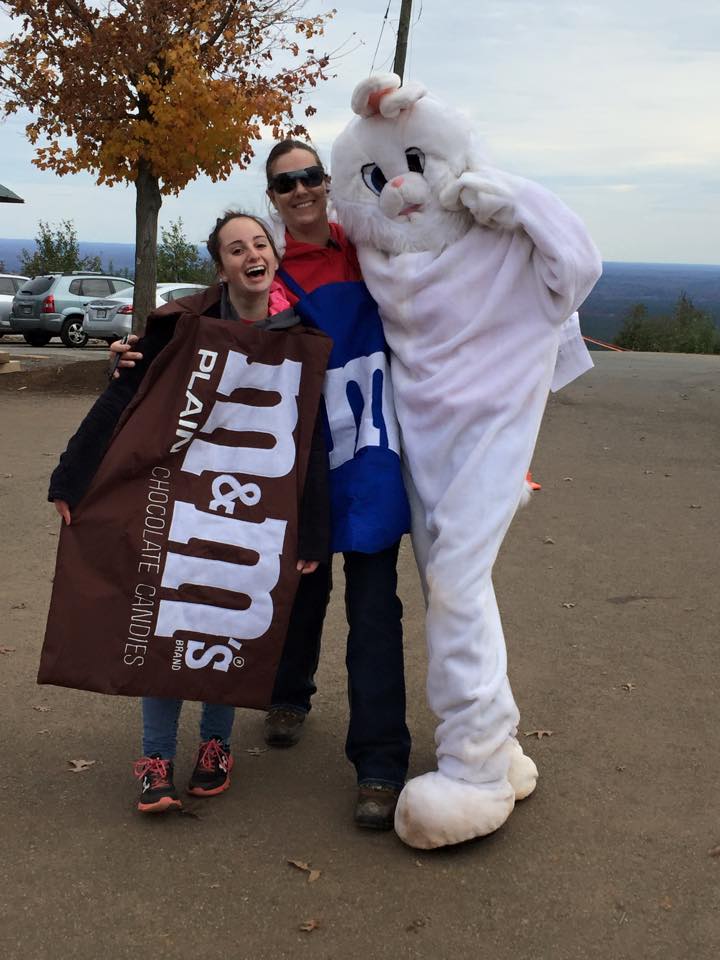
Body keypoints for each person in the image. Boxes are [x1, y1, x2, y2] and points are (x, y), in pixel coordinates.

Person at [111, 141, 412, 830]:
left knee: (373, 612)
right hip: (291, 459)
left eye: (309, 176)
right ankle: (286, 694)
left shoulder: (374, 250)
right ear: (272, 195)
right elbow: (209, 315)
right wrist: (138, 350)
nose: (300, 189)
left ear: (327, 183)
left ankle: (379, 765)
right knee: (295, 587)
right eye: (285, 182)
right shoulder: (267, 269)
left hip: (368, 454)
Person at [51, 212, 329, 814]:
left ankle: (214, 747)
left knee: (223, 621)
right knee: (169, 621)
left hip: (251, 505)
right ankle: (155, 759)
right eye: (236, 249)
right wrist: (72, 475)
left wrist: (312, 527)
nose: (251, 254)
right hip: (181, 498)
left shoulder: (301, 337)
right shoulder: (183, 327)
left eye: (260, 243)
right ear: (221, 266)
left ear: (273, 255)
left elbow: (313, 443)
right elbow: (126, 395)